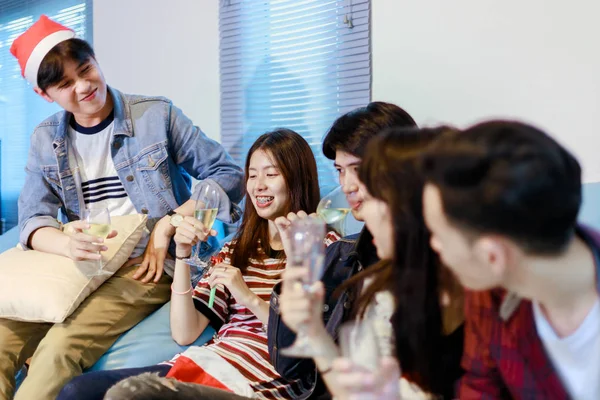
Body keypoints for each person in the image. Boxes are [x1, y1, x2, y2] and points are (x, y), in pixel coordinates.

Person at [1, 15, 244, 400]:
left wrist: (169, 223)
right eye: (66, 84)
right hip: (80, 265)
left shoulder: (155, 115)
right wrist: (66, 242)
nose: (84, 87)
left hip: (144, 267)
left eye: (86, 70)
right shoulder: (45, 137)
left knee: (58, 349)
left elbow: (228, 174)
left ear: (96, 60)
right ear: (45, 95)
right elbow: (33, 217)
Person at [59, 128, 339, 399]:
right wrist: (182, 254)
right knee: (80, 390)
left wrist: (248, 297)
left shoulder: (326, 249)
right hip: (204, 364)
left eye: (271, 174)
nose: (258, 185)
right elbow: (185, 332)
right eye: (252, 175)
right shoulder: (237, 250)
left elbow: (308, 342)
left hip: (255, 384)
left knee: (129, 396)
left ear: (297, 178)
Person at [280, 127, 464, 399]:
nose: (358, 205)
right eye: (341, 171)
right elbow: (357, 393)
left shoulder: (482, 302)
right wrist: (314, 332)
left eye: (371, 193)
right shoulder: (381, 282)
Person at [420, 120, 600, 399]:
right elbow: (480, 386)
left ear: (492, 256)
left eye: (438, 236)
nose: (433, 246)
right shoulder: (489, 290)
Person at [267, 102, 419, 399]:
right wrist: (295, 267)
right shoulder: (341, 256)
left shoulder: (432, 266)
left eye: (357, 169)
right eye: (340, 171)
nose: (347, 185)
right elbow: (291, 368)